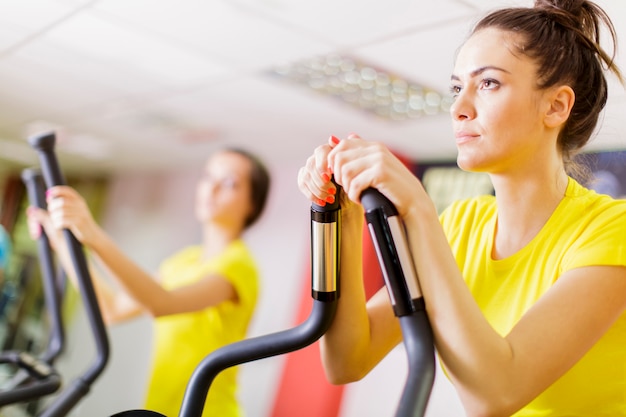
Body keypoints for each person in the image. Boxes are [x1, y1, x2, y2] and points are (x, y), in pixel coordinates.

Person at [297, 0, 626, 416]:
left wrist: (417, 206)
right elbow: (347, 361)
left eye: (487, 84)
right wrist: (343, 223)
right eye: (457, 88)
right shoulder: (460, 226)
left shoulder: (611, 230)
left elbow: (496, 394)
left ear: (556, 106)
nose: (458, 108)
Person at [27, 147, 271, 417]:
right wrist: (62, 243)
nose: (210, 189)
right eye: (207, 177)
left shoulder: (238, 264)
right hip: (162, 408)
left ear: (252, 203)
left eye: (228, 183)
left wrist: (92, 232)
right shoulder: (183, 261)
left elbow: (160, 304)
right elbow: (111, 310)